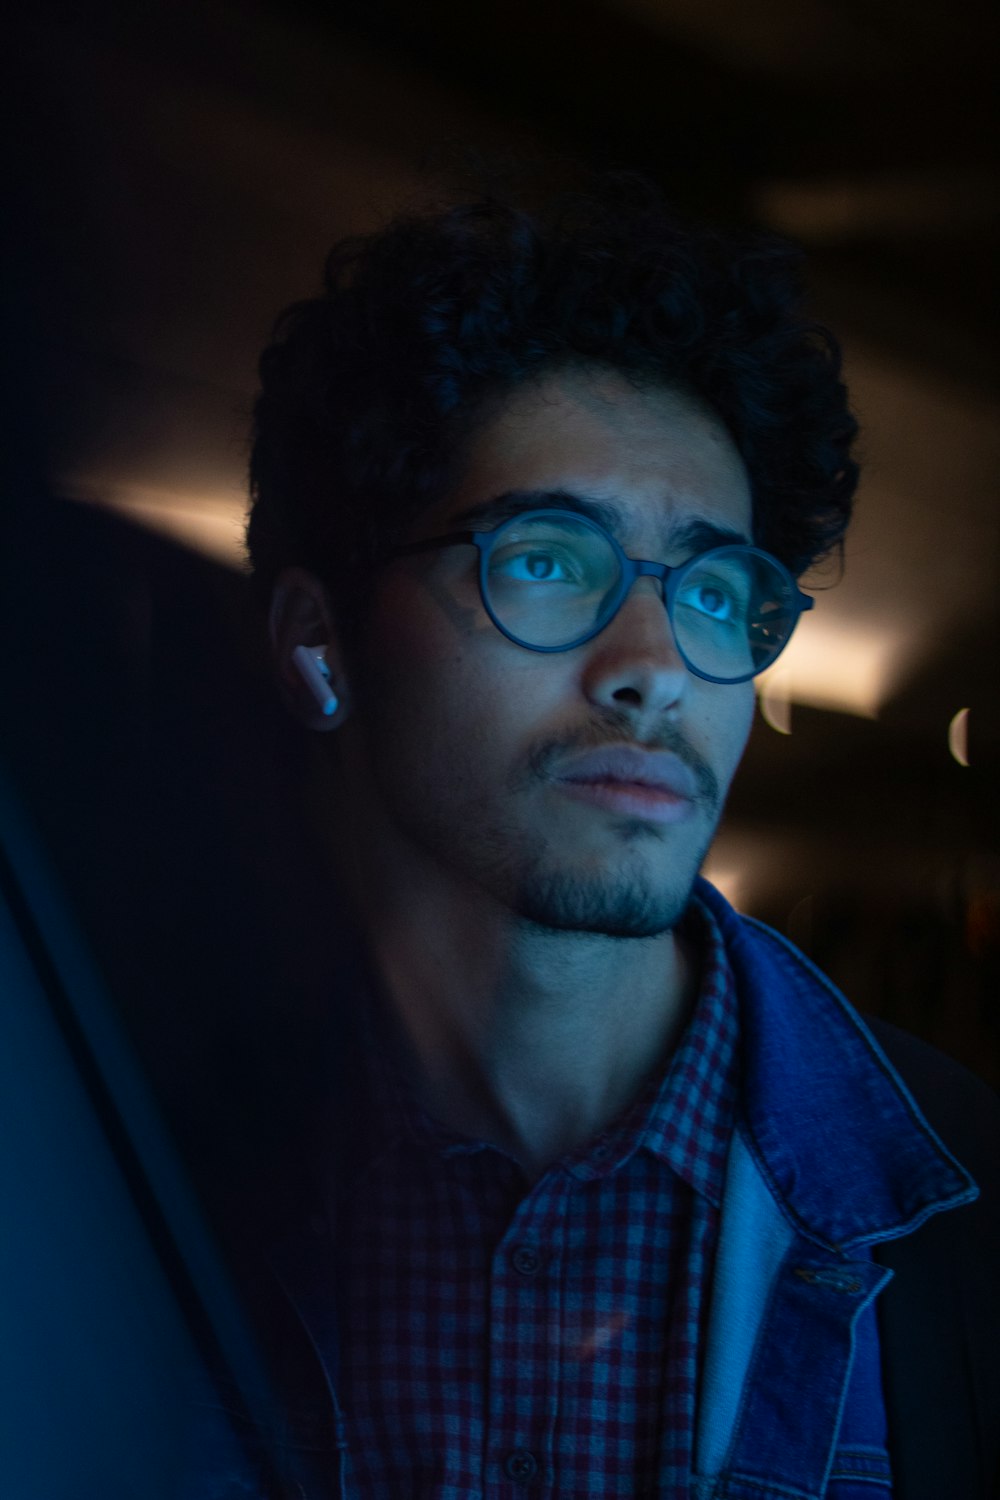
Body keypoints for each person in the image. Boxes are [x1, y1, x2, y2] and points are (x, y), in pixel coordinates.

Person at [188, 174, 1000, 1499]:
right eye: (551, 559)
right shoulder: (142, 1168)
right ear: (319, 640)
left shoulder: (967, 1215)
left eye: (717, 589)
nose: (655, 667)